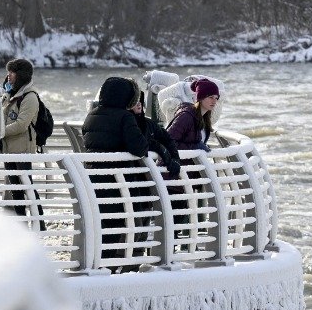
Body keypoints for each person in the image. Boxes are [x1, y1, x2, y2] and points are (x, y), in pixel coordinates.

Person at [81, 76, 156, 267]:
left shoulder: (91, 115)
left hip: (94, 180)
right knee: (125, 226)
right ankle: (114, 267)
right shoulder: (125, 117)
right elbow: (139, 147)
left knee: (104, 226)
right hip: (118, 183)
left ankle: (99, 264)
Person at [0, 58, 44, 225]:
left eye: (12, 72)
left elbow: (21, 125)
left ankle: (40, 224)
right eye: (8, 72)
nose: (8, 76)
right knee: (15, 189)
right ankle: (21, 224)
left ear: (21, 75)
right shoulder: (8, 94)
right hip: (9, 149)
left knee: (27, 187)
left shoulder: (30, 97)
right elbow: (2, 118)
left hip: (23, 149)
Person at [166, 77, 219, 154]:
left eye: (216, 98)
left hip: (192, 163)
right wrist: (195, 147)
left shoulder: (204, 118)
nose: (214, 101)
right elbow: (167, 143)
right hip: (174, 164)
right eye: (210, 97)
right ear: (200, 98)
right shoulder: (186, 116)